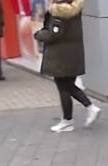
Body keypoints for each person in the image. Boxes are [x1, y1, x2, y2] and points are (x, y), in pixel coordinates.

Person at [34, 0, 101, 133]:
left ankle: (70, 119)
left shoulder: (59, 12)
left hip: (60, 56)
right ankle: (86, 110)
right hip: (73, 54)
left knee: (64, 87)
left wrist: (39, 34)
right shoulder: (75, 9)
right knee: (69, 85)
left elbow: (54, 34)